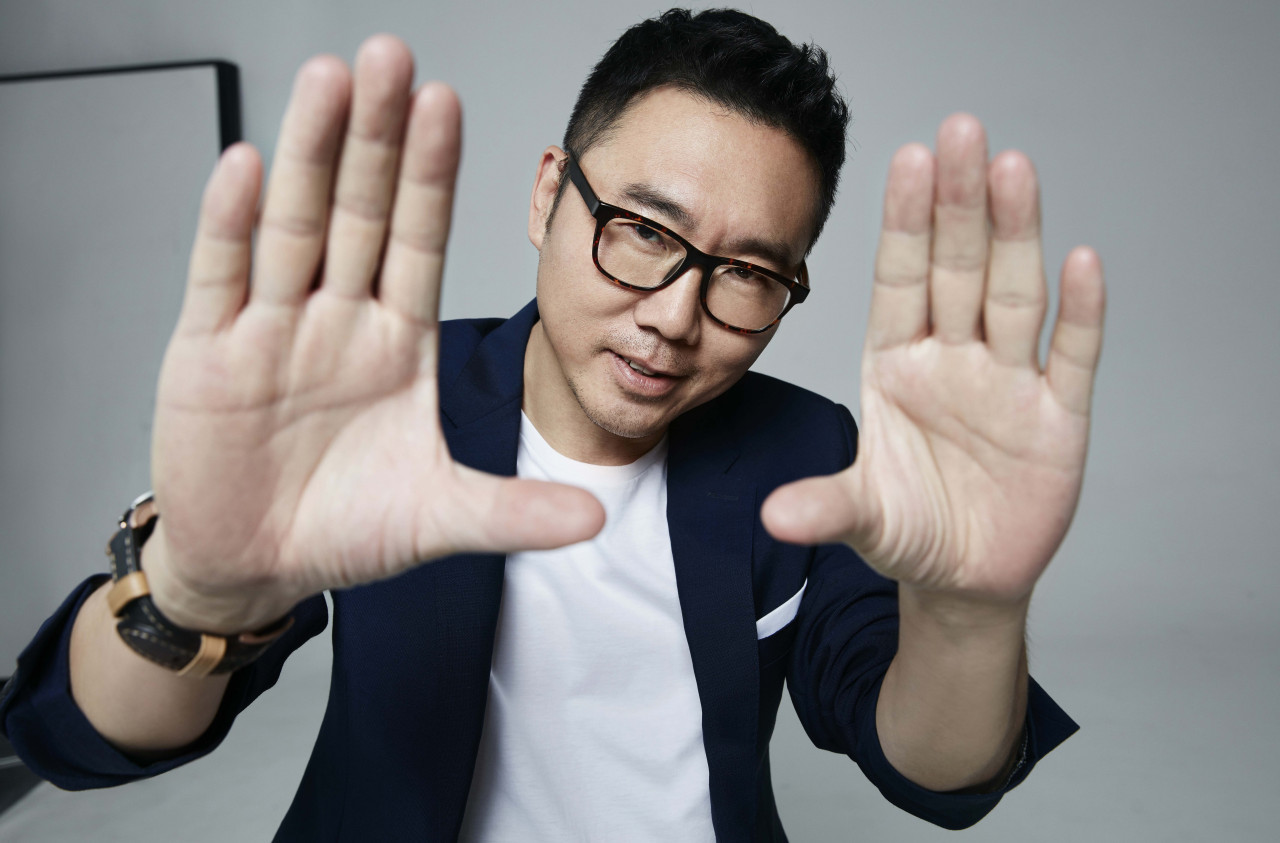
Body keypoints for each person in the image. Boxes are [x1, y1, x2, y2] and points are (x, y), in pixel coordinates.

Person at [0, 8, 1103, 841]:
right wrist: (192, 596)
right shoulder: (383, 401)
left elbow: (933, 771)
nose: (673, 316)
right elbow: (73, 735)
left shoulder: (811, 458)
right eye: (642, 230)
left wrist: (971, 616)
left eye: (747, 272)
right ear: (547, 197)